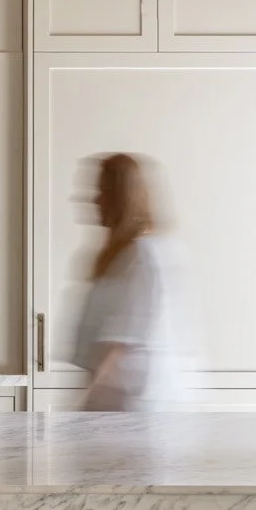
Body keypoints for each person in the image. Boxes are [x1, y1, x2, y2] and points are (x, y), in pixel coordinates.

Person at [70, 152, 178, 411]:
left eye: (101, 191)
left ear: (121, 197)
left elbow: (118, 346)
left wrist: (78, 412)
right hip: (110, 410)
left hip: (131, 412)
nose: (94, 200)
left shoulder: (143, 255)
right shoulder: (115, 257)